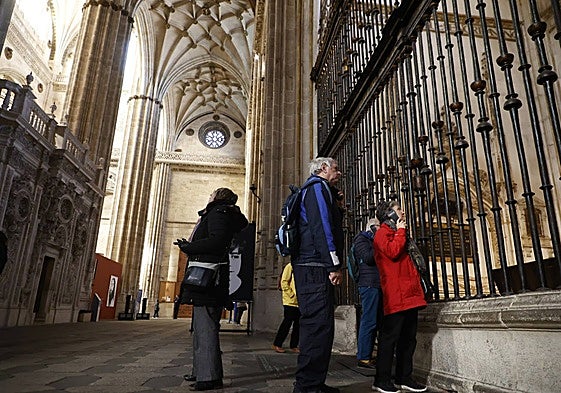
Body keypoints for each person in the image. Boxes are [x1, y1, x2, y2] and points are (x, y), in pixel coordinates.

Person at [175, 187, 248, 391]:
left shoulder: (218, 213)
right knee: (200, 328)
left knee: (205, 328)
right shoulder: (222, 213)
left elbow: (217, 241)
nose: (209, 197)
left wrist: (189, 248)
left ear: (217, 197)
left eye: (211, 194)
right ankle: (201, 370)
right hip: (210, 277)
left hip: (208, 279)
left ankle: (209, 377)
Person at [291, 157, 344, 393]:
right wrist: (332, 264)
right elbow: (321, 227)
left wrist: (337, 207)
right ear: (323, 169)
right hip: (314, 266)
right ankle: (306, 386)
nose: (339, 172)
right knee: (316, 327)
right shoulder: (316, 188)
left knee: (321, 326)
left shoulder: (320, 190)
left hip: (312, 264)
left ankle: (314, 383)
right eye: (335, 168)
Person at [372, 200, 427, 393]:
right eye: (398, 210)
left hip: (409, 293)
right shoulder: (382, 233)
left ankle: (404, 377)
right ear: (389, 215)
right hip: (396, 295)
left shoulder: (397, 232)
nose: (403, 212)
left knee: (409, 339)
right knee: (389, 339)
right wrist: (401, 231)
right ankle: (381, 380)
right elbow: (393, 252)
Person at [353, 217, 382, 369]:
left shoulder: (370, 240)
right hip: (369, 284)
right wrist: (378, 240)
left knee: (376, 321)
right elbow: (369, 258)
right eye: (379, 226)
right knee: (369, 321)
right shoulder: (361, 239)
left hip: (377, 284)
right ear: (372, 227)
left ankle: (371, 354)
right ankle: (363, 357)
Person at [272, 263, 300, 353]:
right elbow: (284, 282)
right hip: (290, 301)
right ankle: (277, 344)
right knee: (287, 323)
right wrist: (292, 295)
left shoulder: (300, 266)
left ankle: (294, 345)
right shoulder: (290, 266)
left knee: (298, 325)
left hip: (300, 302)